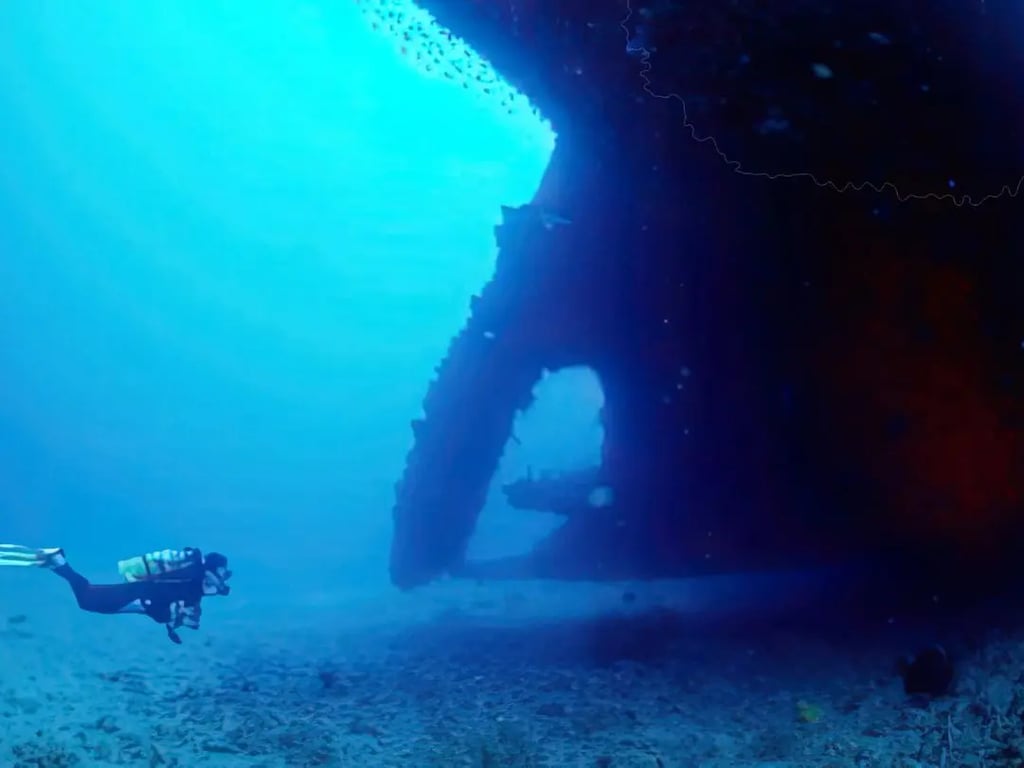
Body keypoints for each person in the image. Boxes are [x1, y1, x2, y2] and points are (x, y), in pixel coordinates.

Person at [0, 544, 232, 644]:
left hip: (141, 596)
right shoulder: (191, 584)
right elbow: (173, 606)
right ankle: (57, 561)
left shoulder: (191, 585)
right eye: (218, 576)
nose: (218, 585)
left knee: (88, 596)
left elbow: (179, 608)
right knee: (87, 599)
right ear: (209, 573)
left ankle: (57, 563)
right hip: (139, 595)